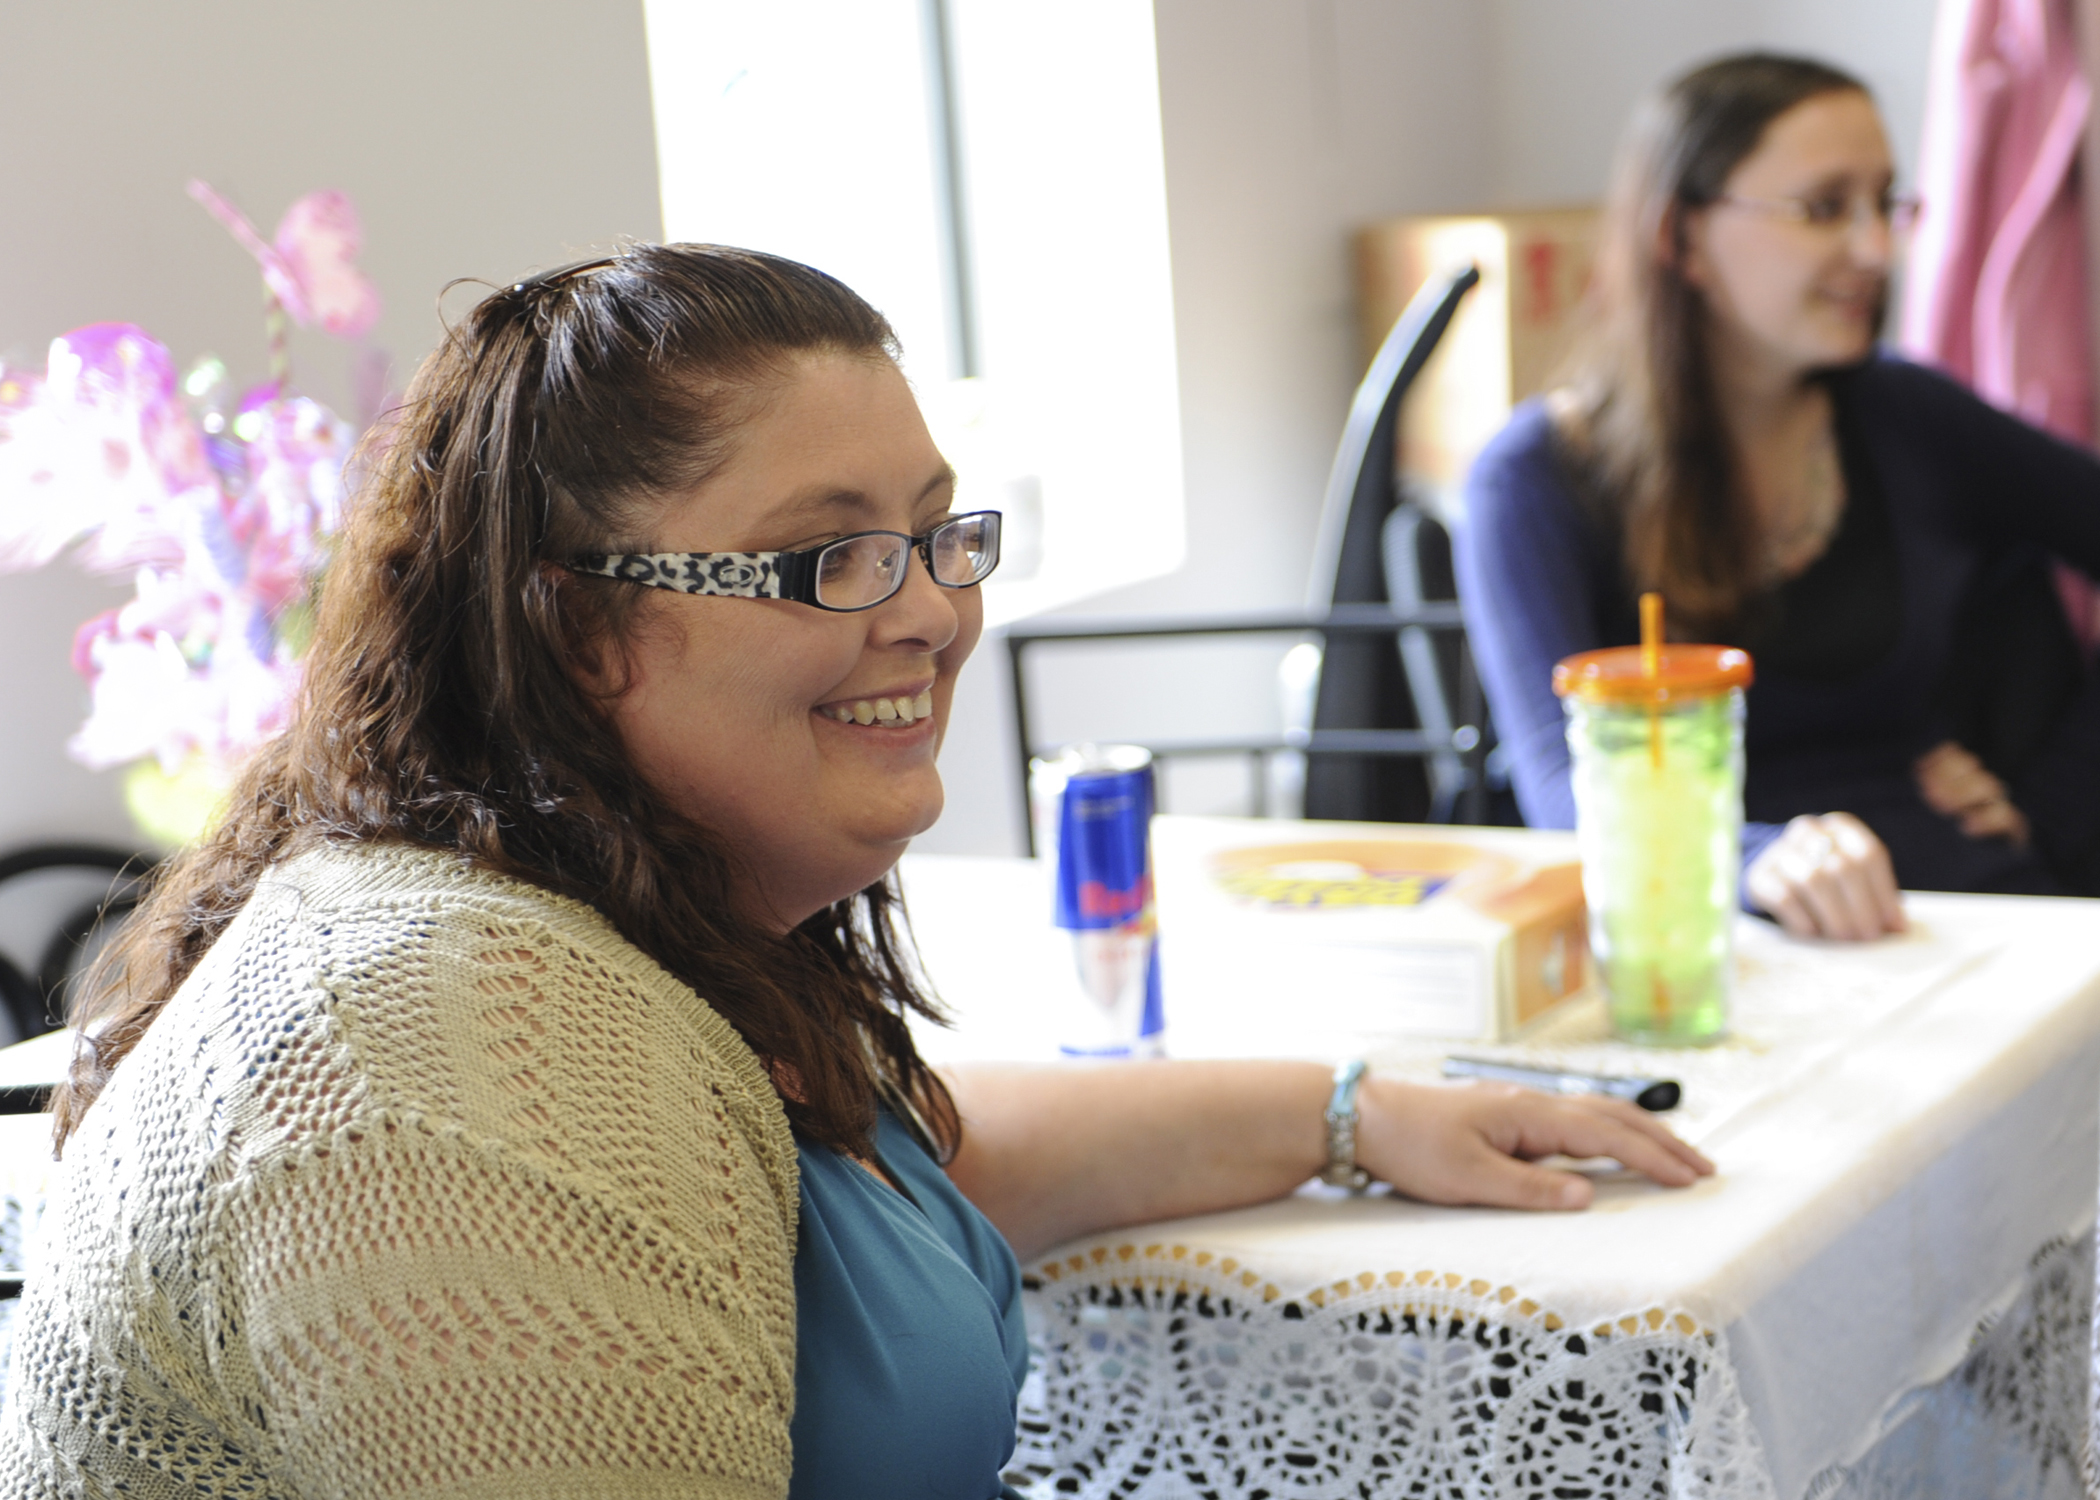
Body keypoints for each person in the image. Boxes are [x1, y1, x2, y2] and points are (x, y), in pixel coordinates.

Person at [0, 246, 1711, 1498]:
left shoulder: (612, 929)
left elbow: (874, 1173)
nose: (935, 612)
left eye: (939, 533)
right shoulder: (449, 1039)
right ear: (580, 630)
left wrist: (1352, 1112)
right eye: (828, 556)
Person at [1456, 53, 2100, 942]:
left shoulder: (1907, 412)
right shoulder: (1532, 480)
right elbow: (1565, 798)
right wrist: (1755, 858)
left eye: (1886, 204)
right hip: (1709, 944)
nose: (1876, 249)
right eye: (1824, 208)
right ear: (1681, 237)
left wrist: (2056, 802)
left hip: (1966, 913)